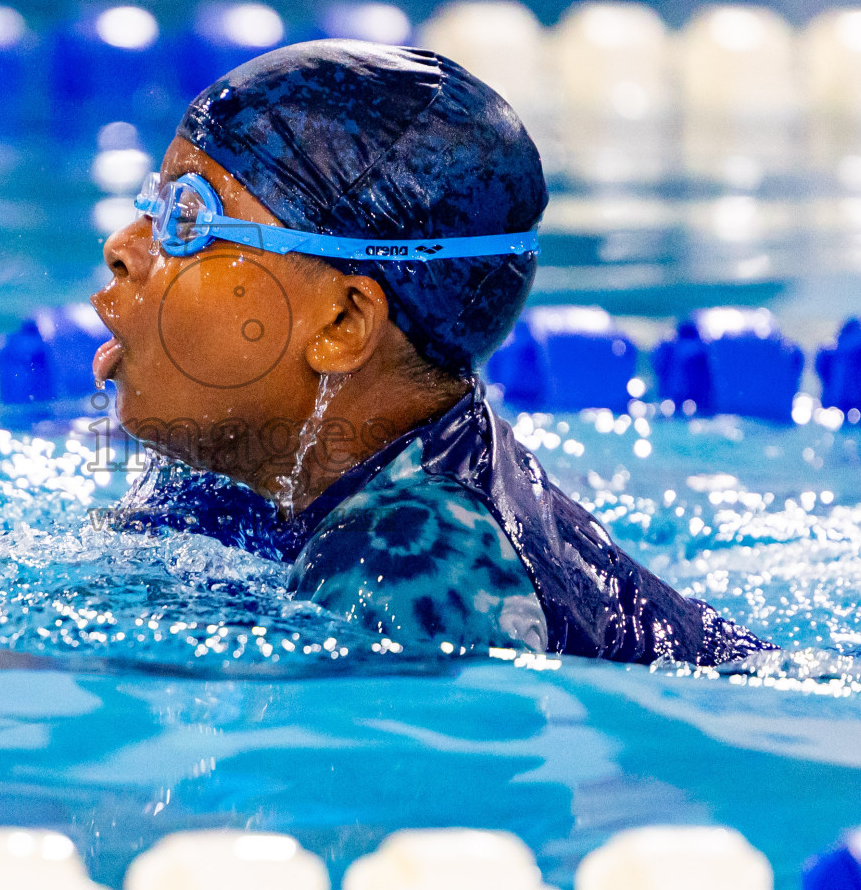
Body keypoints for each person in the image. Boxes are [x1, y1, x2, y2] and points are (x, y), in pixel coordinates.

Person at [91, 38, 773, 666]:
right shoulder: (242, 462)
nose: (123, 247)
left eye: (187, 219)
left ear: (343, 322)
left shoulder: (414, 566)